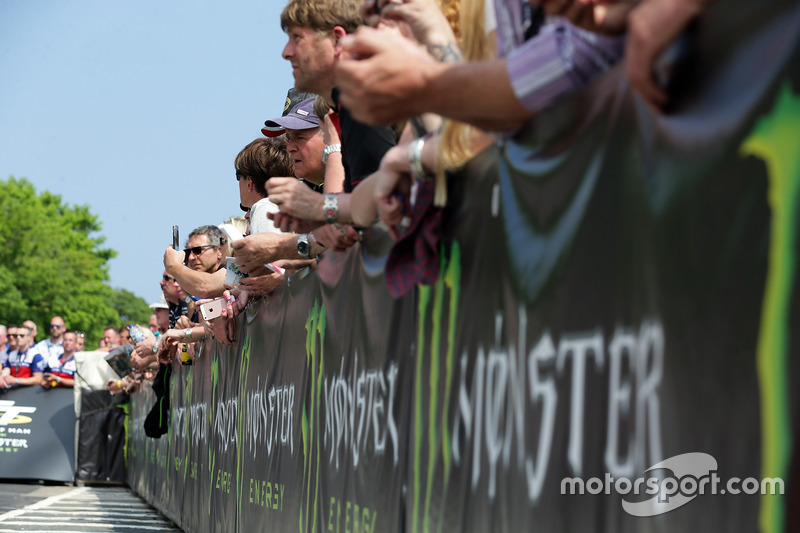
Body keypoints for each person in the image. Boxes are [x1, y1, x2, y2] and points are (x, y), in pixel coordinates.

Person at [162, 225, 227, 299]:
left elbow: (205, 287)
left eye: (197, 250)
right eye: (188, 252)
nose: (191, 257)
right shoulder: (195, 290)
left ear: (219, 250)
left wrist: (173, 265)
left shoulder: (232, 270)